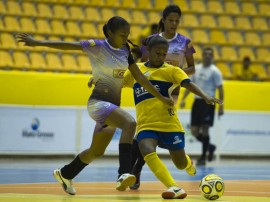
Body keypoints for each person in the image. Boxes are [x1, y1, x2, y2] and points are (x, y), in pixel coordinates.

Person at [16, 16, 174, 195]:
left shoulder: (125, 50)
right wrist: (37, 42)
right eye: (123, 34)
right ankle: (124, 174)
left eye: (128, 35)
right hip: (98, 103)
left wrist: (161, 97)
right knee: (130, 123)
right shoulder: (97, 46)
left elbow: (140, 78)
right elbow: (68, 45)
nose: (126, 38)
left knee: (96, 151)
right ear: (110, 33)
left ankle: (65, 173)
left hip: (111, 108)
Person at [123, 36, 223, 199]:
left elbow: (188, 84)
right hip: (146, 125)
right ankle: (174, 187)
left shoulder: (172, 70)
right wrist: (99, 79)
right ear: (148, 51)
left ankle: (188, 162)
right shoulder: (136, 70)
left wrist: (205, 96)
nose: (161, 57)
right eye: (158, 53)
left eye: (164, 54)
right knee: (146, 149)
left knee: (180, 164)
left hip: (169, 125)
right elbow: (119, 82)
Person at [129, 4, 196, 189]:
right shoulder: (150, 40)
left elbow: (192, 68)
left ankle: (137, 170)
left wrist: (177, 72)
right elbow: (141, 65)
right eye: (171, 20)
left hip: (171, 90)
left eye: (177, 21)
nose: (174, 24)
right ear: (163, 20)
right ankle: (137, 171)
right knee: (145, 132)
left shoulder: (186, 42)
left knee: (152, 130)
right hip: (149, 87)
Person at [180, 47, 224, 166]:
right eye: (206, 54)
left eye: (210, 55)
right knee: (194, 131)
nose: (208, 56)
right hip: (197, 102)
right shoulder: (197, 69)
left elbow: (220, 88)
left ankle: (203, 157)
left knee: (205, 129)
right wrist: (183, 99)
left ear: (213, 57)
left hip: (208, 102)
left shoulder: (215, 71)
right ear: (203, 55)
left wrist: (221, 106)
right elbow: (190, 85)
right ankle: (210, 147)